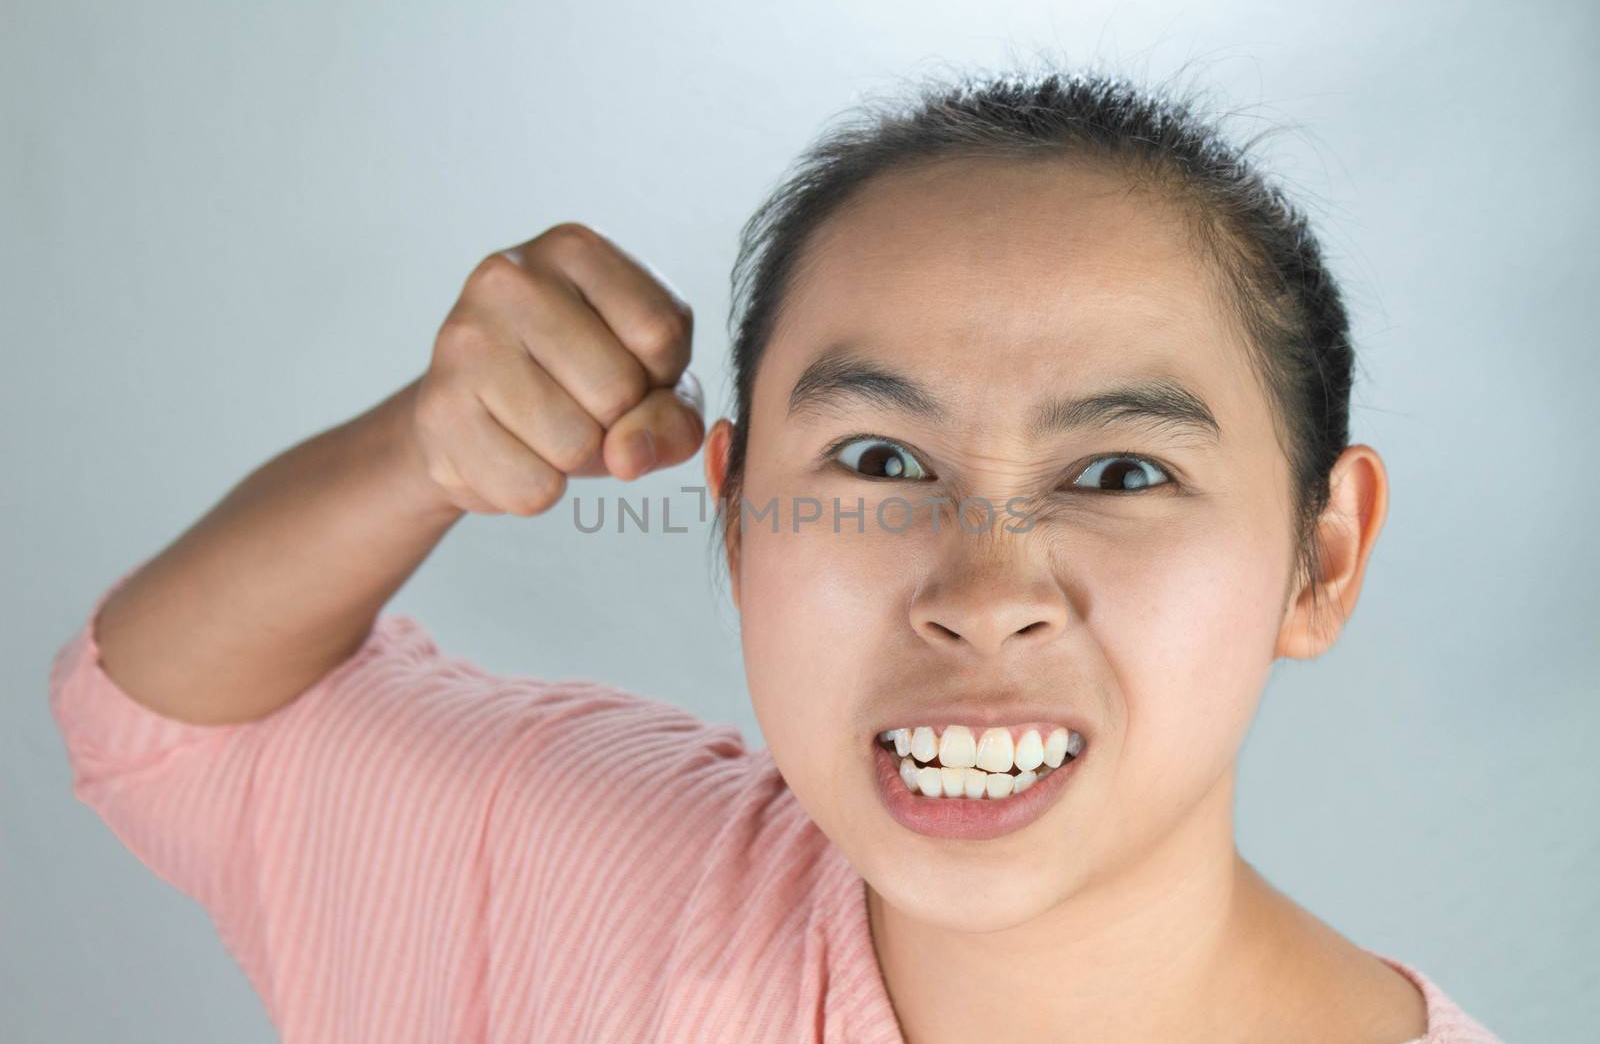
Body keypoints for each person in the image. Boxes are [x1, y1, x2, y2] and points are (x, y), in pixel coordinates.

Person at [47, 66, 1503, 1042]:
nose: (984, 597)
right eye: (878, 463)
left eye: (1120, 471)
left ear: (1321, 558)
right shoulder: (607, 884)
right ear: (738, 515)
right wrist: (422, 453)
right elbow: (156, 717)